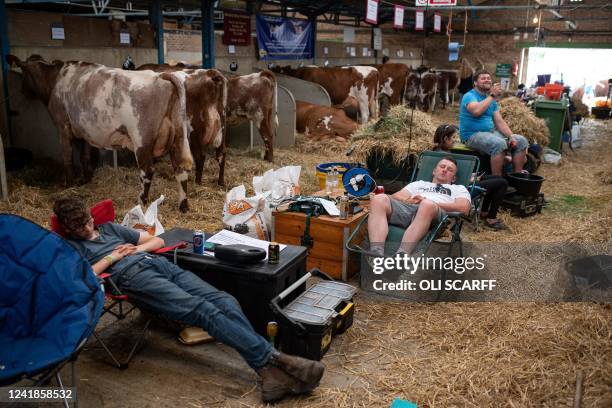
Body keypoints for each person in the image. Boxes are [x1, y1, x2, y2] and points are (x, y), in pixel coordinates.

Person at [52, 196, 325, 403]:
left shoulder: (109, 228)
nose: (87, 227)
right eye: (79, 225)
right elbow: (83, 277)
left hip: (157, 264)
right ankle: (275, 361)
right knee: (202, 310)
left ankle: (269, 373)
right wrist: (114, 257)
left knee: (224, 299)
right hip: (130, 276)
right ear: (66, 228)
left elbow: (156, 242)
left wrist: (136, 248)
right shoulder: (71, 248)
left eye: (88, 219)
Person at [367, 157, 471, 255]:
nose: (444, 170)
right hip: (408, 209)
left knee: (427, 205)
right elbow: (396, 196)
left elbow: (464, 208)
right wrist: (408, 200)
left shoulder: (458, 188)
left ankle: (402, 254)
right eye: (442, 166)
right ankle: (376, 251)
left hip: (435, 214)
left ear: (453, 178)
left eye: (450, 170)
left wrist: (427, 201)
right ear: (434, 171)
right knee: (378, 199)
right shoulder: (418, 184)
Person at [433, 124, 508, 230]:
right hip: (459, 190)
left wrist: (471, 176)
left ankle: (484, 212)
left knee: (494, 179)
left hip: (458, 184)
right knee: (502, 183)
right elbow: (448, 179)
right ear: (446, 138)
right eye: (453, 138)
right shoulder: (444, 157)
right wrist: (470, 179)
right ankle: (491, 218)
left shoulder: (435, 152)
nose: (455, 140)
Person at [459, 70, 529, 176]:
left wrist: (511, 136)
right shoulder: (469, 96)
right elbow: (476, 112)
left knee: (521, 141)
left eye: (488, 78)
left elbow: (499, 121)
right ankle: (497, 178)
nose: (487, 80)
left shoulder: (491, 100)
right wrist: (492, 95)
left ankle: (517, 175)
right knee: (499, 143)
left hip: (490, 133)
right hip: (471, 135)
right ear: (475, 83)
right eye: (483, 78)